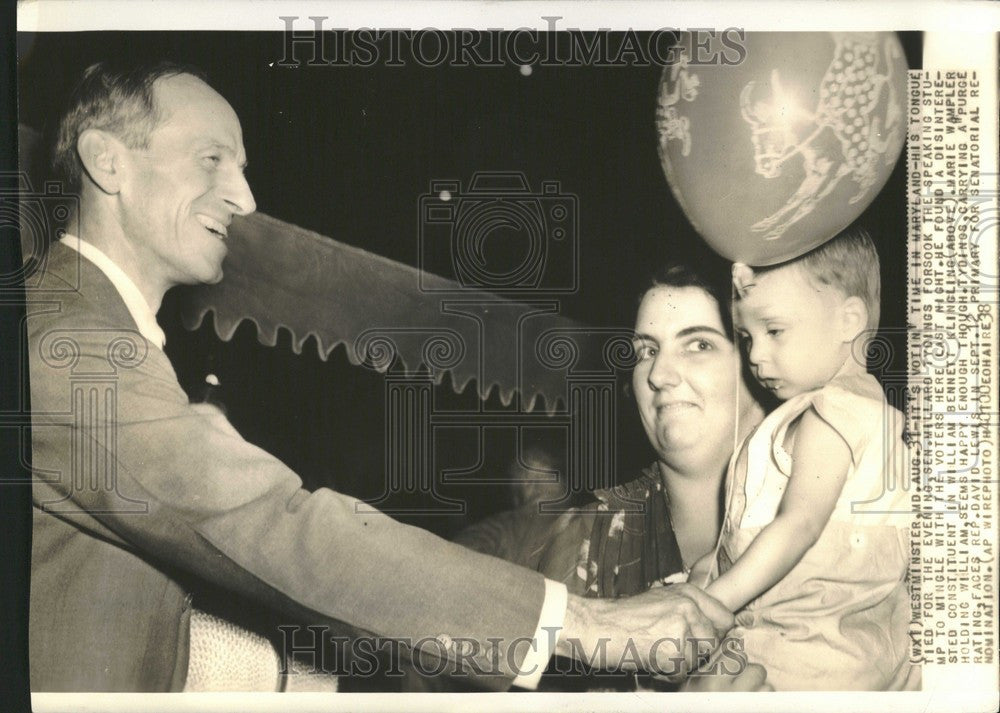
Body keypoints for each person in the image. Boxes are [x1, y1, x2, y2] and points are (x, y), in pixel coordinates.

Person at [25, 61, 733, 692]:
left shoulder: (99, 337)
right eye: (211, 159)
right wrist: (586, 623)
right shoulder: (66, 343)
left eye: (241, 167)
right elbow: (279, 528)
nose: (243, 197)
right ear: (106, 161)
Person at [452, 262, 772, 691]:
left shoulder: (832, 521)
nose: (660, 375)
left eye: (698, 344)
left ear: (760, 366)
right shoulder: (584, 542)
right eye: (647, 351)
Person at [695, 229, 917, 690]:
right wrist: (704, 574)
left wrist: (708, 604)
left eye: (774, 330)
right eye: (746, 336)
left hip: (811, 660)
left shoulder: (836, 410)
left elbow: (799, 525)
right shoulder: (845, 411)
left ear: (848, 321)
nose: (755, 355)